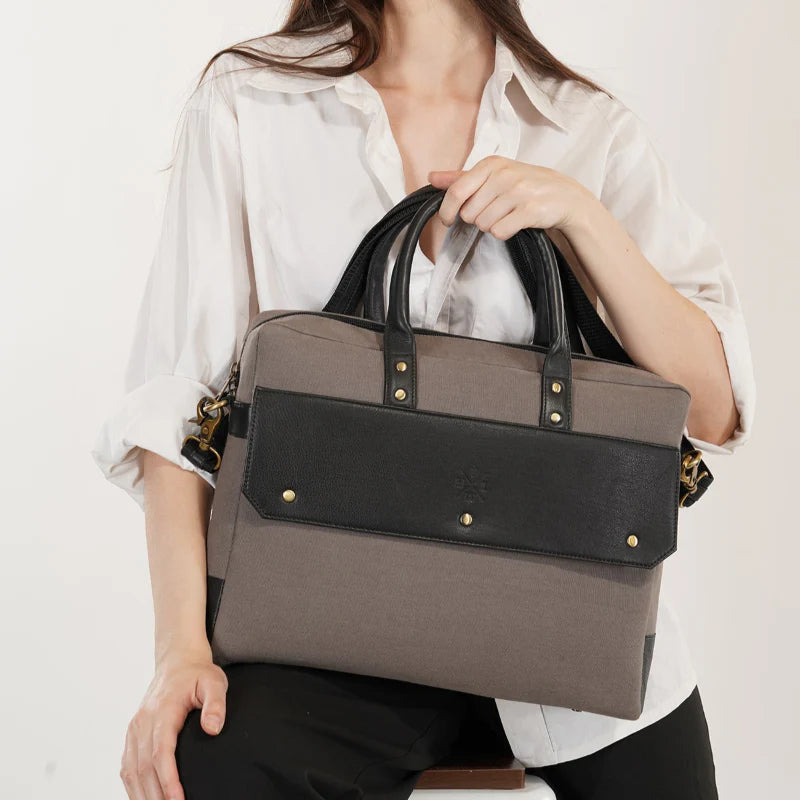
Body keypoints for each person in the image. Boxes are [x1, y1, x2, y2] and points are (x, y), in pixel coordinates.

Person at [91, 2, 756, 799]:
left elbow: (712, 411)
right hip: (322, 636)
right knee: (212, 766)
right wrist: (180, 653)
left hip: (571, 636)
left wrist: (579, 216)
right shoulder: (250, 98)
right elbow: (176, 406)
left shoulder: (587, 126)